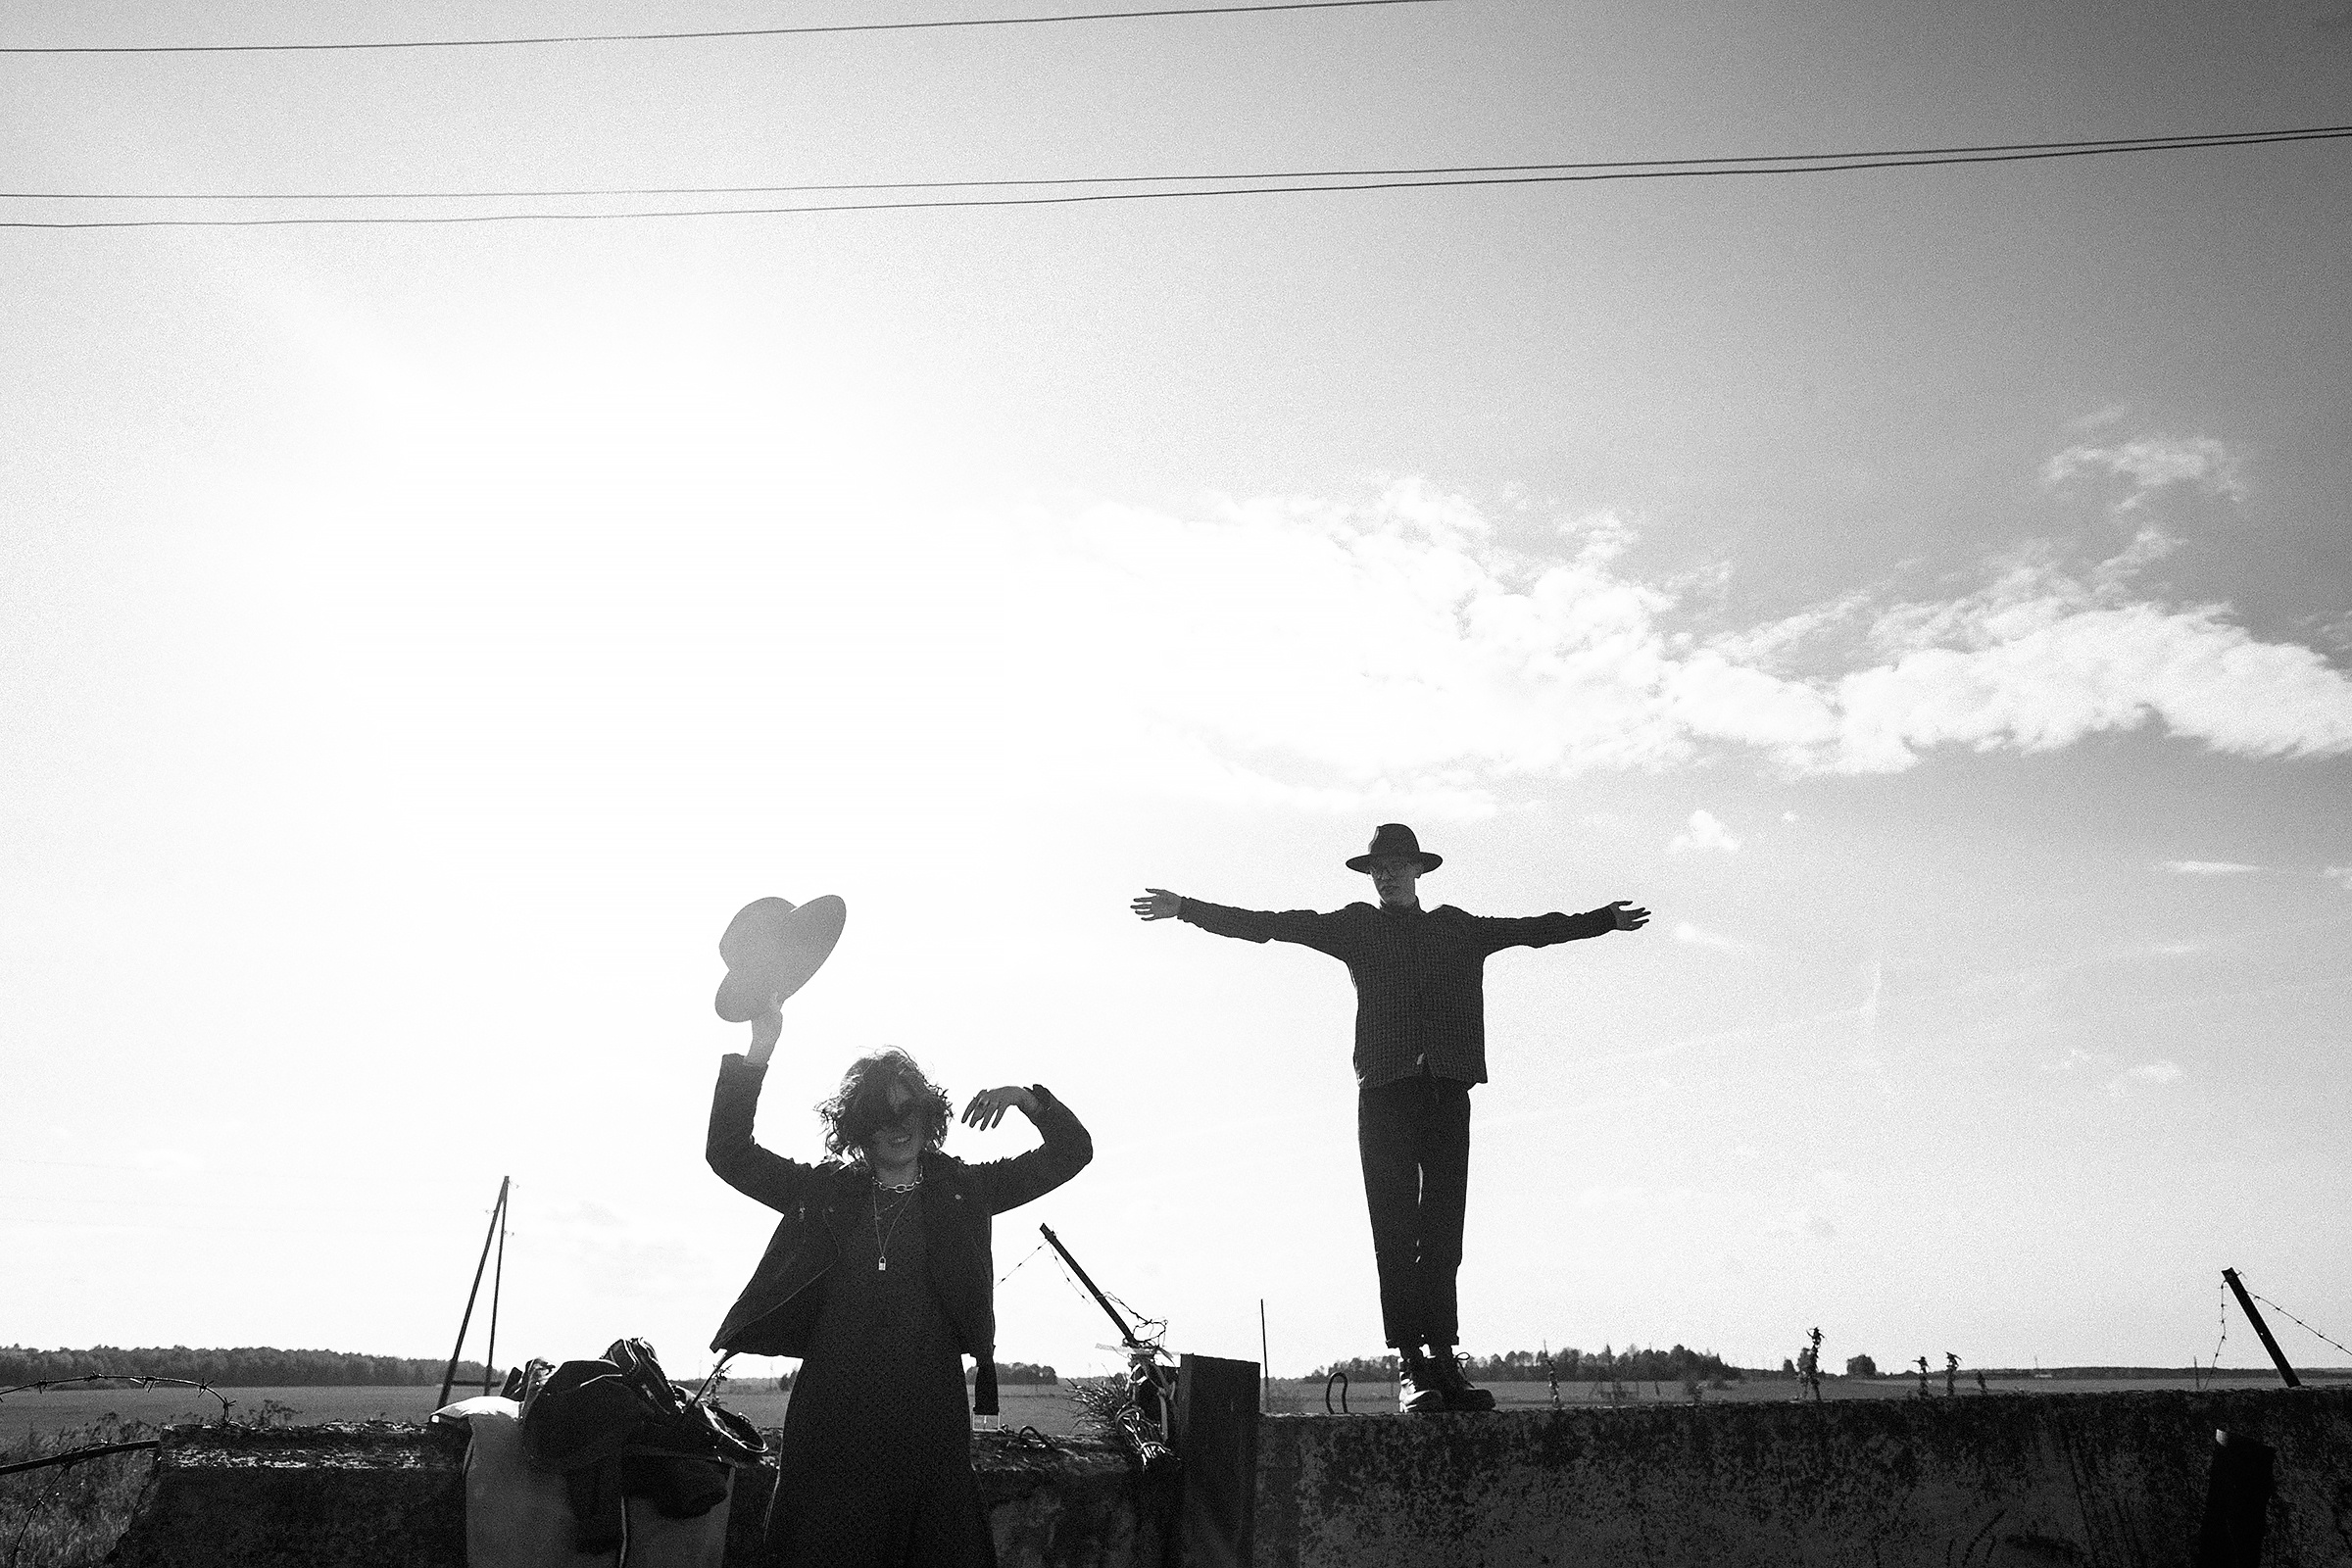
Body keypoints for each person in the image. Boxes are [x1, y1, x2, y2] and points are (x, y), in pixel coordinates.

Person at [1131, 822, 1646, 1414]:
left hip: (1448, 1090)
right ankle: (1411, 1361)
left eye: (1398, 866)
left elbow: (1534, 931)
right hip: (1384, 1095)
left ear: (1420, 871)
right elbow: (1274, 925)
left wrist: (1603, 920)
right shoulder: (1357, 927)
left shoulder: (1457, 929)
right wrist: (1188, 909)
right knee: (1395, 1228)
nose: (1387, 875)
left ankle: (1444, 1357)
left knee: (1444, 1227)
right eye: (1378, 868)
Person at [706, 1004, 1092, 1567]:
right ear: (858, 1126)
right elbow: (729, 1152)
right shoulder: (823, 1192)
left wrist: (1025, 1097)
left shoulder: (966, 1191)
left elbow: (1071, 1153)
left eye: (911, 1107)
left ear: (929, 1115)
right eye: (881, 1111)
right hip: (832, 1418)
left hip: (929, 1420)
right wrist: (761, 1045)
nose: (898, 1122)